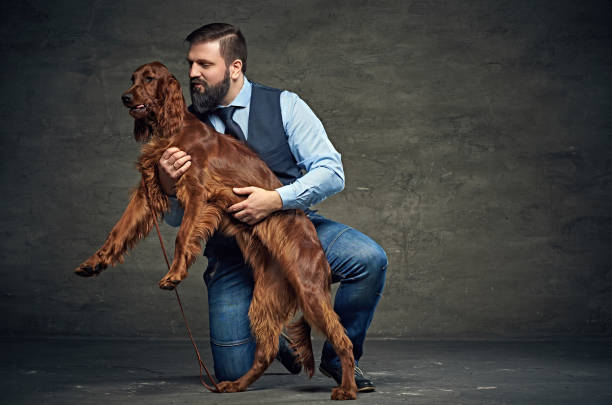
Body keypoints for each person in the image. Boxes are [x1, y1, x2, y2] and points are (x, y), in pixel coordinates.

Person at [157, 23, 387, 392]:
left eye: (204, 65)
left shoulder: (285, 105)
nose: (192, 74)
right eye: (190, 64)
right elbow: (174, 220)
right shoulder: (183, 125)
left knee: (368, 258)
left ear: (235, 67)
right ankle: (276, 333)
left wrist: (276, 199)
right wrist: (168, 187)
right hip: (231, 253)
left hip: (293, 231)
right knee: (232, 370)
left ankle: (337, 357)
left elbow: (332, 172)